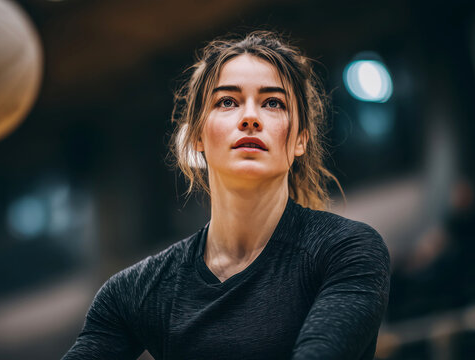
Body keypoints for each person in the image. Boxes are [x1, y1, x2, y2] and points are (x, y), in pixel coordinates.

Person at [62, 30, 390, 360]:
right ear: (196, 136)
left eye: (273, 103)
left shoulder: (346, 251)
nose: (249, 117)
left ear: (300, 140)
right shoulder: (133, 293)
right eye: (227, 102)